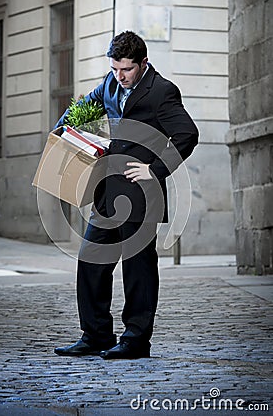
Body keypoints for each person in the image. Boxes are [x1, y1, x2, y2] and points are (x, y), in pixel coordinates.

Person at [54, 31, 198, 360]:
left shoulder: (161, 91)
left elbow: (188, 134)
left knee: (138, 269)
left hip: (143, 195)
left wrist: (156, 169)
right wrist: (60, 132)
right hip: (107, 191)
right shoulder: (109, 82)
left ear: (143, 63)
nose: (120, 76)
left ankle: (135, 340)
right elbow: (83, 109)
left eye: (126, 70)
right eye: (115, 68)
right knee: (91, 260)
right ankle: (95, 334)